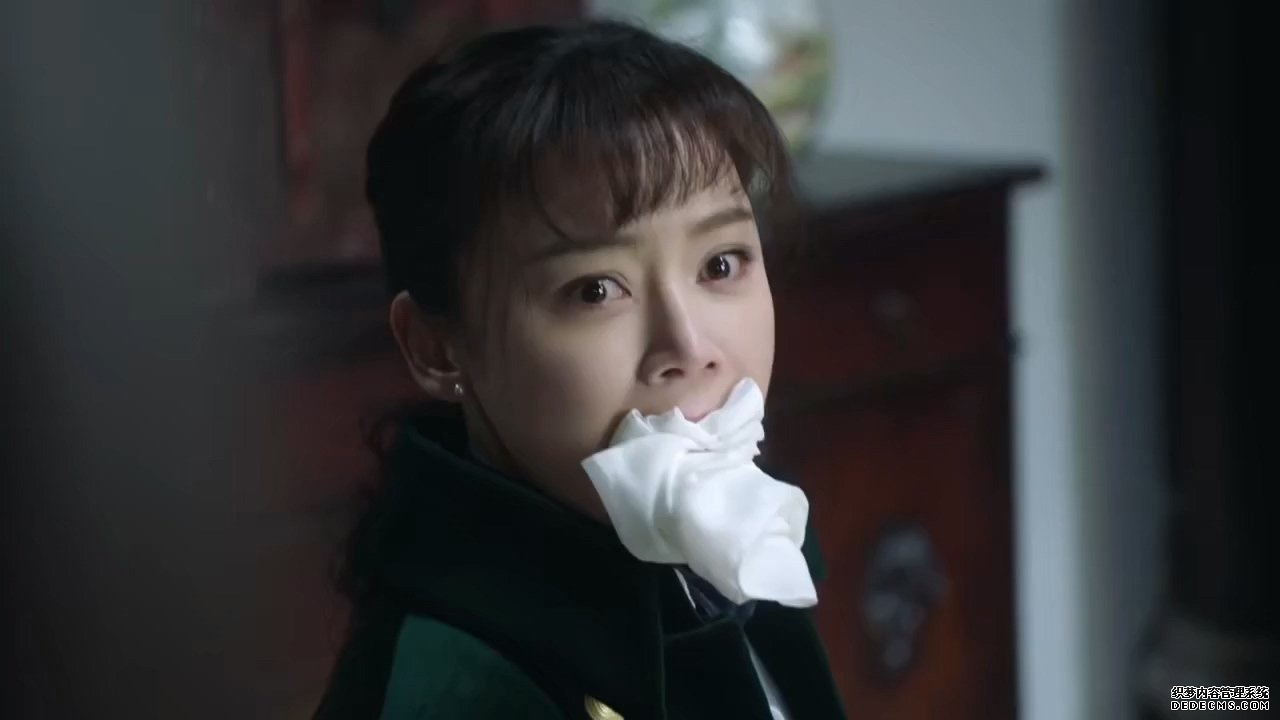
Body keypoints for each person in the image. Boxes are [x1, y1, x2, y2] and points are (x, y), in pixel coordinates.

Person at [313, 18, 846, 720]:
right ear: (437, 347)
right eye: (596, 290)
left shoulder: (738, 549)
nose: (690, 347)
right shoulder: (451, 683)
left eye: (721, 265)